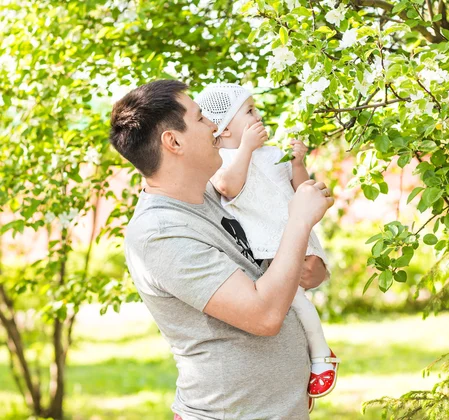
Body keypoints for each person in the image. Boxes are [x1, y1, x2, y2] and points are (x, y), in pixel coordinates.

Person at [109, 79, 334, 419]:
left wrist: (312, 267)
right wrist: (299, 223)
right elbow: (264, 314)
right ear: (173, 141)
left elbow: (277, 271)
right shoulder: (161, 232)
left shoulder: (220, 196)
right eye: (201, 118)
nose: (216, 126)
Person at [196, 83, 339, 399]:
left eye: (255, 109)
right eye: (249, 111)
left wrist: (298, 163)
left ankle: (319, 354)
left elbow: (301, 190)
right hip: (264, 248)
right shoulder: (222, 161)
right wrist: (245, 148)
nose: (258, 116)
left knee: (298, 302)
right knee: (295, 305)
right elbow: (228, 187)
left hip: (294, 237)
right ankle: (317, 353)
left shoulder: (272, 155)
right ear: (223, 128)